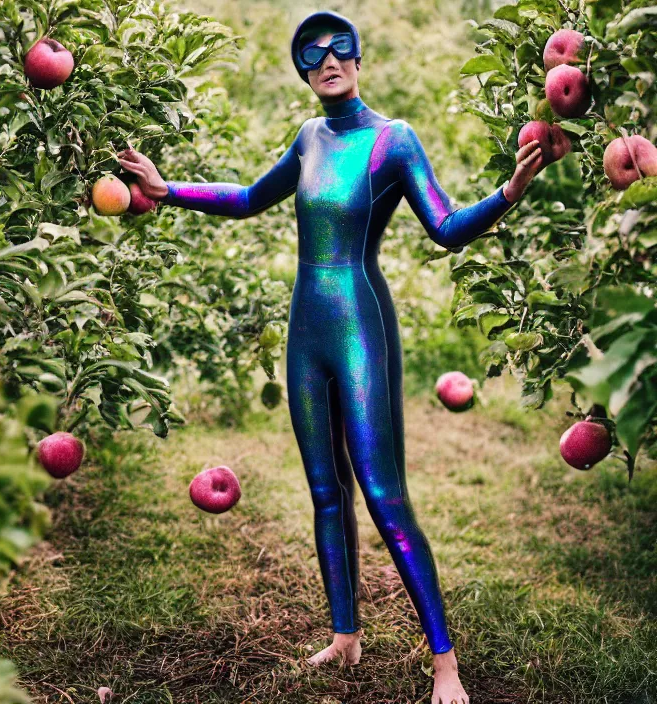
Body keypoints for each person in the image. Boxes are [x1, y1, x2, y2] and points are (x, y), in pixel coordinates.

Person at [118, 10, 542, 703]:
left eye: (340, 47)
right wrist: (169, 191)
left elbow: (446, 228)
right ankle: (345, 635)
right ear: (303, 71)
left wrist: (509, 193)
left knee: (383, 496)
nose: (328, 60)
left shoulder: (393, 141)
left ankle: (445, 664)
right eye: (311, 54)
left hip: (360, 328)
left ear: (359, 57)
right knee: (324, 491)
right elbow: (253, 197)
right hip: (305, 328)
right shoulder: (310, 136)